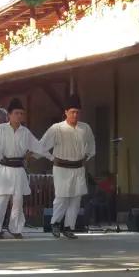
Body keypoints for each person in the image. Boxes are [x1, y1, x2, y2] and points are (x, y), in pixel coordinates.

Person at [0, 98, 46, 239]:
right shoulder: (0, 129)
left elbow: (38, 147)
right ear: (9, 115)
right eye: (16, 113)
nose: (19, 116)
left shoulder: (25, 132)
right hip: (2, 168)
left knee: (18, 201)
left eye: (21, 113)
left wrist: (32, 157)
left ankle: (15, 228)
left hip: (18, 169)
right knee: (1, 200)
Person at [40, 94, 95, 239]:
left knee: (76, 198)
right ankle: (55, 223)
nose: (75, 115)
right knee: (62, 196)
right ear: (66, 112)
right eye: (72, 112)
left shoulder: (85, 128)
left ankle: (69, 227)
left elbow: (91, 147)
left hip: (78, 167)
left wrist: (86, 157)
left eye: (77, 112)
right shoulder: (57, 128)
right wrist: (52, 157)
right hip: (61, 167)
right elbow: (42, 146)